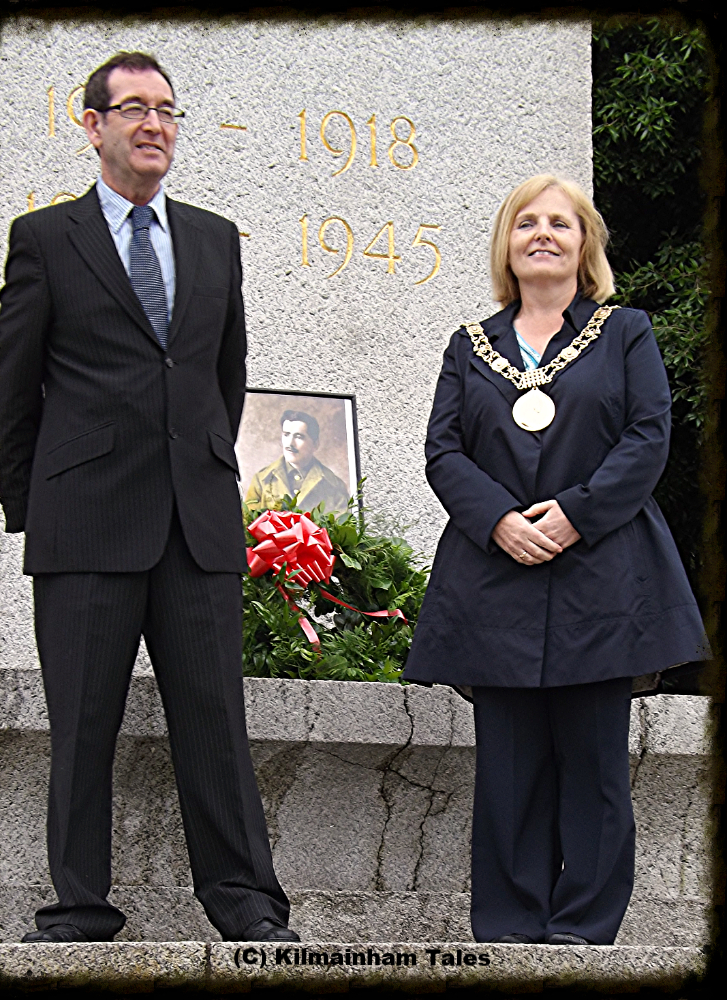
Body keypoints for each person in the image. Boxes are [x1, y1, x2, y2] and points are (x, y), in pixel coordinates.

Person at [0, 51, 298, 945]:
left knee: (215, 726)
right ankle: (80, 906)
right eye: (132, 108)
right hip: (83, 523)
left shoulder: (213, 238)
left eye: (166, 109)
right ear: (93, 126)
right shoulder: (46, 238)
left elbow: (223, 378)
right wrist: (33, 508)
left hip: (196, 525)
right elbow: (12, 388)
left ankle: (246, 903)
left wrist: (203, 469)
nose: (153, 124)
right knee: (83, 728)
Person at [402, 174, 708, 946]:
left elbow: (647, 435)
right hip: (494, 576)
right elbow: (443, 451)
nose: (541, 233)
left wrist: (575, 514)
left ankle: (582, 928)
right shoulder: (468, 346)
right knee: (507, 769)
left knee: (594, 767)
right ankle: (508, 928)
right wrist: (498, 520)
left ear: (585, 244)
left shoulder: (625, 332)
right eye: (525, 223)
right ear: (505, 244)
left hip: (600, 576)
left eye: (559, 223)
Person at [244, 409, 350, 513]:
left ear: (315, 444)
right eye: (286, 435)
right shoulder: (261, 480)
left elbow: (343, 521)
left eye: (299, 437)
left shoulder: (334, 485)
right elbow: (247, 521)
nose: (290, 443)